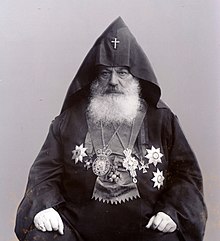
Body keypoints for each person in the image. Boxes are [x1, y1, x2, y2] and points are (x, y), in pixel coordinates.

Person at [15, 17, 207, 241]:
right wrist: (44, 206)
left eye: (122, 72)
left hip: (146, 231)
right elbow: (44, 176)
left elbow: (186, 175)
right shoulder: (69, 120)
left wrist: (171, 211)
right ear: (95, 77)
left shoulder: (162, 120)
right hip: (78, 233)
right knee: (43, 237)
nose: (113, 81)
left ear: (136, 76)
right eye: (106, 73)